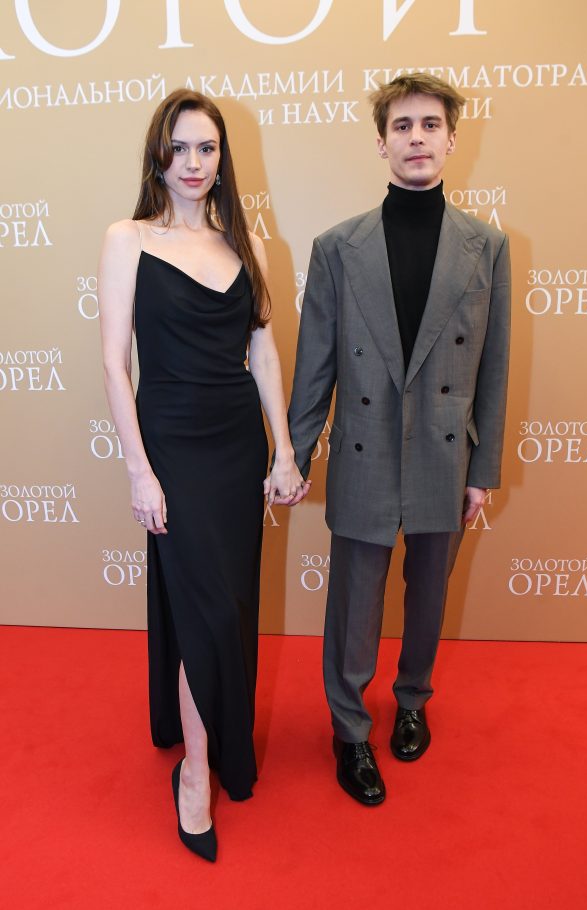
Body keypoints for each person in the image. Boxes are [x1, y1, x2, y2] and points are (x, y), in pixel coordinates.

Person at [287, 74, 511, 805]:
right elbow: (316, 361)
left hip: (446, 451)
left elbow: (495, 365)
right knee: (354, 601)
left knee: (429, 594)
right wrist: (293, 452)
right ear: (381, 142)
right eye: (403, 125)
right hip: (365, 446)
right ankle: (349, 729)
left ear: (453, 138)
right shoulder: (337, 247)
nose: (417, 137)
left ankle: (413, 697)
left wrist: (483, 468)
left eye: (431, 124)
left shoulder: (488, 246)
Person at [98, 88, 308, 860]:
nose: (193, 162)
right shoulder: (127, 238)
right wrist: (139, 470)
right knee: (205, 609)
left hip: (235, 445)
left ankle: (210, 739)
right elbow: (114, 364)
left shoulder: (245, 246)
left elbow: (263, 352)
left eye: (207, 148)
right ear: (159, 156)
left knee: (230, 602)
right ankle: (195, 771)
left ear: (223, 159)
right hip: (172, 446)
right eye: (180, 147)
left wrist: (284, 449)